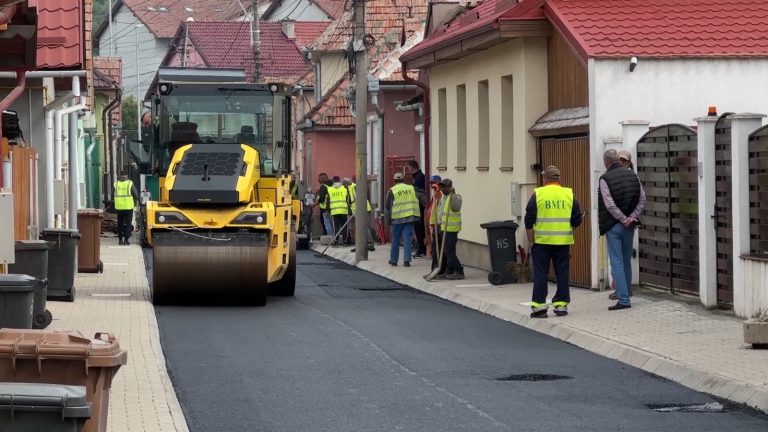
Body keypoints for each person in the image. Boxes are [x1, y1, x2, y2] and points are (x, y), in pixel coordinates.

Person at [524, 166, 583, 318]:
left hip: (541, 242)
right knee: (562, 274)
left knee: (541, 274)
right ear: (558, 179)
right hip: (562, 242)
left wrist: (531, 240)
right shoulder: (569, 194)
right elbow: (577, 220)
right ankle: (561, 306)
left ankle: (539, 308)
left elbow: (528, 219)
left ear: (546, 179)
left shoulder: (539, 194)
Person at [598, 149, 646, 311]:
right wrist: (632, 216)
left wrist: (622, 219)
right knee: (626, 261)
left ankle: (623, 298)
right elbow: (642, 198)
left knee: (616, 262)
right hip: (630, 225)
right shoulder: (633, 175)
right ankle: (627, 291)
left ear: (606, 162)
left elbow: (609, 203)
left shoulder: (605, 179)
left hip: (614, 225)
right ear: (618, 160)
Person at [385, 172, 420, 267]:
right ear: (403, 180)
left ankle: (393, 260)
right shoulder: (410, 188)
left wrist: (388, 221)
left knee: (395, 239)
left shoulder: (392, 190)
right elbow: (420, 197)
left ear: (394, 180)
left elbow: (387, 206)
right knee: (407, 239)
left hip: (396, 219)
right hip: (409, 217)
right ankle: (406, 261)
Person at [438, 178, 464, 279]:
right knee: (447, 251)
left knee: (449, 251)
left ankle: (459, 271)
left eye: (445, 187)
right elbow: (441, 213)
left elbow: (456, 207)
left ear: (450, 187)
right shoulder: (443, 198)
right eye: (442, 187)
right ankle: (449, 271)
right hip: (444, 228)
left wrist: (453, 194)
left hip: (452, 229)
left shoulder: (456, 197)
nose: (443, 189)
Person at [425, 175, 447, 279]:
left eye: (434, 183)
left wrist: (438, 191)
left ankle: (442, 270)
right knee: (434, 249)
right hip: (435, 226)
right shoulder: (434, 196)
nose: (432, 186)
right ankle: (434, 269)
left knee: (441, 250)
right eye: (431, 184)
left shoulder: (441, 195)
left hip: (441, 226)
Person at [344, 177, 375, 252]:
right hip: (357, 210)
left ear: (346, 184)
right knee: (358, 228)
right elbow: (351, 202)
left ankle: (370, 244)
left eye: (344, 185)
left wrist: (359, 209)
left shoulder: (354, 187)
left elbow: (361, 198)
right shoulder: (349, 189)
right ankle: (360, 245)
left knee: (365, 227)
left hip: (363, 209)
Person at [114, 169, 139, 245]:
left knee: (120, 224)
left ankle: (120, 240)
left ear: (120, 175)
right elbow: (135, 194)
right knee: (128, 223)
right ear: (127, 176)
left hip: (119, 207)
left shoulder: (116, 184)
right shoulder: (130, 183)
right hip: (128, 207)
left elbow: (112, 194)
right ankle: (126, 240)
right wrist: (137, 200)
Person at [408, 160, 427, 258]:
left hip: (419, 207)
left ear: (412, 167)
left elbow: (420, 193)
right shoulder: (416, 177)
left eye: (408, 168)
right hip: (416, 207)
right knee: (417, 228)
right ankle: (420, 249)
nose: (408, 170)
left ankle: (422, 250)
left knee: (419, 228)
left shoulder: (420, 177)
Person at [326, 176, 350, 245]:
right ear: (339, 180)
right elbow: (348, 199)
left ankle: (336, 240)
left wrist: (328, 210)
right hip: (343, 210)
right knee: (344, 226)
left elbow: (328, 200)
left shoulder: (330, 189)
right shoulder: (344, 188)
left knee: (336, 226)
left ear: (333, 181)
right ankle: (345, 240)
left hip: (334, 211)